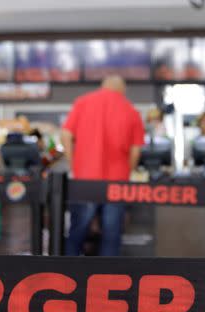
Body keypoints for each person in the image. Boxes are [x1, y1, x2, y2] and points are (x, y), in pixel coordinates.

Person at [61, 75, 145, 256]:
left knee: (77, 232)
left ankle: (66, 275)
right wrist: (126, 172)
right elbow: (136, 151)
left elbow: (66, 135)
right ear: (123, 90)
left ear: (103, 86)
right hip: (116, 182)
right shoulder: (131, 111)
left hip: (84, 180)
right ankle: (108, 279)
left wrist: (73, 164)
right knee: (111, 236)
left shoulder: (82, 103)